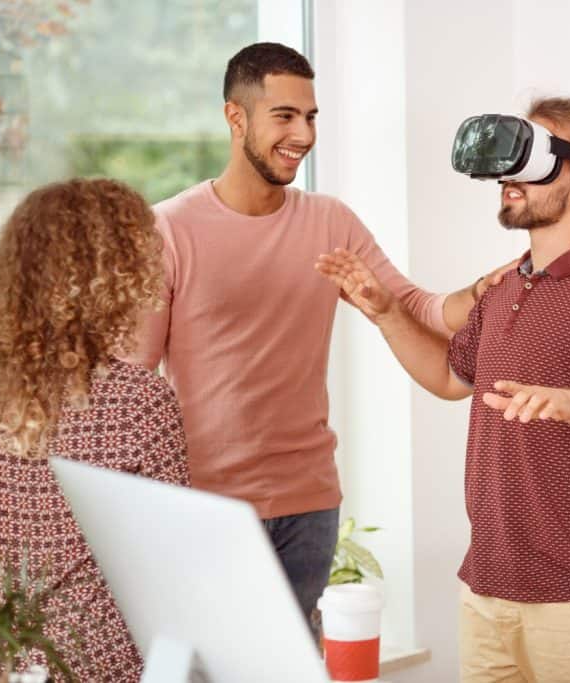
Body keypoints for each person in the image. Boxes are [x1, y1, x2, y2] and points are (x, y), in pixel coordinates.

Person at [126, 42, 512, 636]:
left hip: (308, 504)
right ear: (236, 117)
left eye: (311, 118)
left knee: (291, 660)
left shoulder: (329, 222)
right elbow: (131, 382)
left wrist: (484, 289)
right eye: (284, 116)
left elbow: (418, 307)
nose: (303, 135)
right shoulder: (169, 229)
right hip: (209, 509)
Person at [317, 95, 570, 682]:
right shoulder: (507, 287)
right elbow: (450, 378)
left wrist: (569, 401)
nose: (510, 176)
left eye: (533, 158)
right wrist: (386, 314)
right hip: (489, 587)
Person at [0, 178, 190, 681]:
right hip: (106, 658)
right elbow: (172, 565)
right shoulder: (140, 402)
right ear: (113, 277)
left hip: (5, 654)